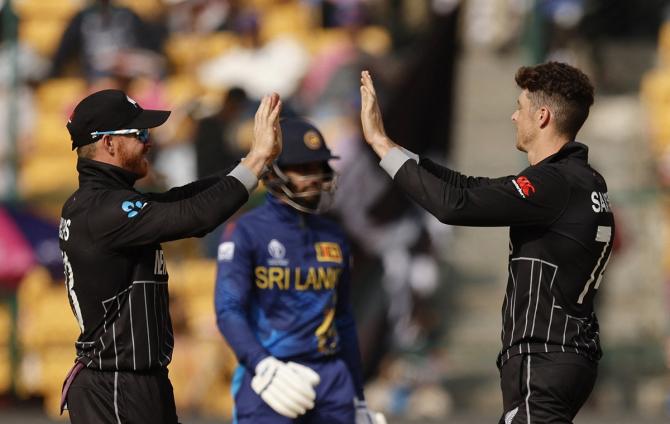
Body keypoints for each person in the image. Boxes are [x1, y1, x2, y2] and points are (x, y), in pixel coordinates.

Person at [359, 62, 615, 423]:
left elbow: (453, 206)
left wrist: (379, 143)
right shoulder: (583, 180)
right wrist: (396, 150)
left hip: (542, 356)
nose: (513, 116)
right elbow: (469, 187)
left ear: (542, 116)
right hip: (567, 354)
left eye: (520, 107)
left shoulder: (554, 184)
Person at [58, 88, 282, 423]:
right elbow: (195, 215)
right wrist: (256, 161)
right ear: (109, 144)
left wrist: (253, 165)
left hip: (136, 383)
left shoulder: (106, 203)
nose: (150, 143)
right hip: (115, 386)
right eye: (141, 134)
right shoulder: (102, 211)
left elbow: (181, 199)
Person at [214, 117, 385, 423]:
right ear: (275, 172)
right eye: (303, 169)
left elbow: (343, 318)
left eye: (319, 167)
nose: (314, 178)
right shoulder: (247, 232)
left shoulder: (334, 235)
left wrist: (358, 397)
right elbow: (228, 310)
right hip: (272, 378)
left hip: (332, 379)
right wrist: (263, 365)